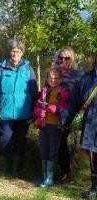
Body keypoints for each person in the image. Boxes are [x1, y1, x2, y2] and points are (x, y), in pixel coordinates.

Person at [0, 38, 38, 177]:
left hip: (24, 113)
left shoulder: (28, 69)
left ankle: (16, 171)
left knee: (20, 141)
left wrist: (34, 112)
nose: (15, 54)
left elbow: (34, 92)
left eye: (18, 51)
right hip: (5, 112)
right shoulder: (1, 67)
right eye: (13, 51)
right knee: (5, 139)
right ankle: (3, 169)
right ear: (9, 51)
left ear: (22, 53)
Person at [62, 53, 97, 199]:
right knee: (93, 156)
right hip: (90, 125)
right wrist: (66, 120)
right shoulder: (86, 79)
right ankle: (95, 187)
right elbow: (74, 102)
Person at [33, 67, 70, 187]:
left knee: (52, 152)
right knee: (43, 150)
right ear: (47, 79)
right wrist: (39, 111)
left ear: (60, 79)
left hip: (56, 126)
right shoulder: (45, 90)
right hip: (44, 125)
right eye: (50, 78)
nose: (53, 80)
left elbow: (65, 109)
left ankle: (50, 179)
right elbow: (36, 107)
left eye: (55, 78)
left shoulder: (64, 91)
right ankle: (44, 177)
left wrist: (51, 107)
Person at [55, 46, 84, 184]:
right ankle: (64, 172)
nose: (63, 60)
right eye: (60, 57)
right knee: (58, 144)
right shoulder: (54, 72)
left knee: (69, 144)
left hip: (71, 114)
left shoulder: (78, 75)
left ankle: (71, 174)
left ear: (72, 59)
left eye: (66, 58)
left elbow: (83, 95)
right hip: (54, 113)